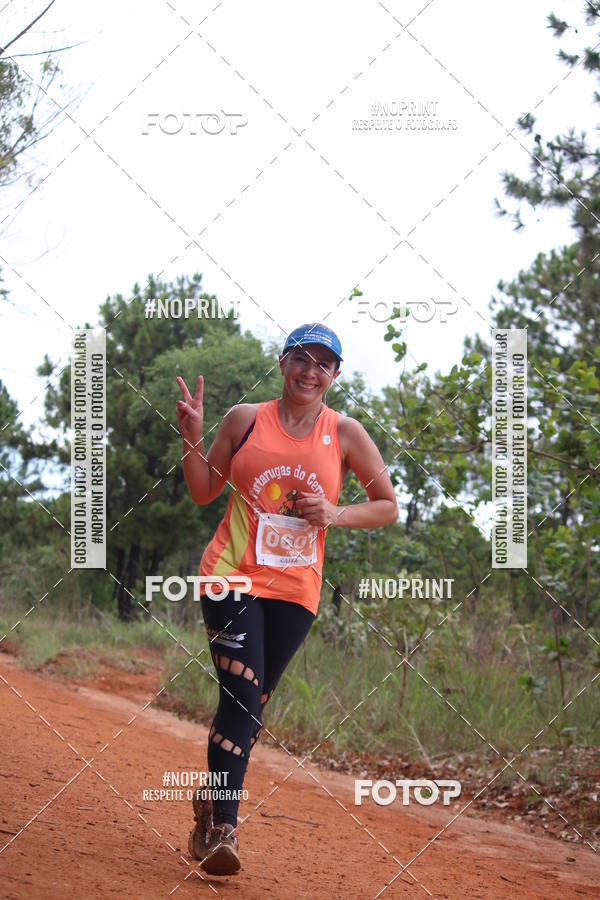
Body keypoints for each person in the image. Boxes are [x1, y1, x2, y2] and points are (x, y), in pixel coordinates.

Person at [175, 323, 398, 876]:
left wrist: (335, 513)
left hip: (297, 590)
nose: (310, 371)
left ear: (335, 375)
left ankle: (211, 803)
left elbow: (387, 506)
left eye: (323, 364)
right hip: (231, 575)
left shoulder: (345, 433)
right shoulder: (245, 420)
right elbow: (203, 491)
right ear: (282, 363)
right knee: (241, 699)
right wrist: (192, 436)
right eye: (301, 359)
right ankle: (224, 829)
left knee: (251, 707)